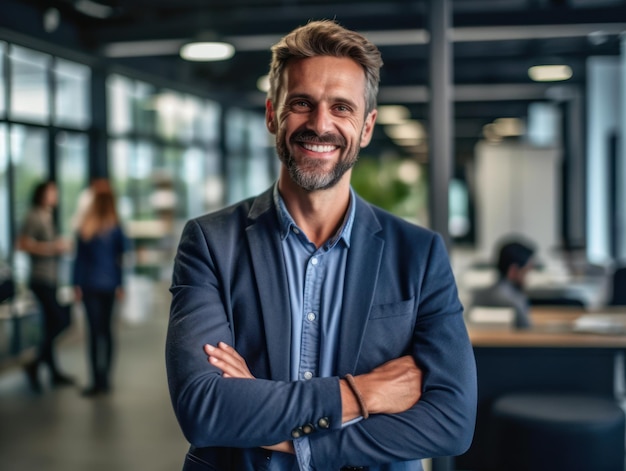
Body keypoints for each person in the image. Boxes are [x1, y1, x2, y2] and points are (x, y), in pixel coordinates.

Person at [166, 19, 477, 471]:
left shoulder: (419, 253)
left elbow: (451, 422)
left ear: (367, 127)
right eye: (301, 103)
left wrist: (290, 439)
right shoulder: (211, 243)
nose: (320, 124)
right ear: (272, 115)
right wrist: (362, 393)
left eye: (342, 108)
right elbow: (204, 408)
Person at [17, 180, 73, 392]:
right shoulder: (34, 215)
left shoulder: (48, 216)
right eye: (52, 191)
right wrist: (53, 248)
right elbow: (22, 243)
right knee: (61, 319)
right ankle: (34, 362)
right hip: (40, 279)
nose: (55, 195)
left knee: (52, 323)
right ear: (42, 193)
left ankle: (52, 370)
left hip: (51, 278)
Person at [72, 183, 127, 397]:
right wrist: (121, 284)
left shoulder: (87, 225)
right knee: (105, 332)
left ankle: (99, 379)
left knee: (96, 333)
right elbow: (121, 259)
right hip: (106, 285)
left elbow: (79, 260)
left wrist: (76, 283)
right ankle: (104, 379)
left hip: (91, 285)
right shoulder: (114, 226)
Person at [471, 237, 536, 329]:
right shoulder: (516, 302)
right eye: (526, 271)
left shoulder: (477, 296)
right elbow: (527, 331)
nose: (529, 279)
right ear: (513, 271)